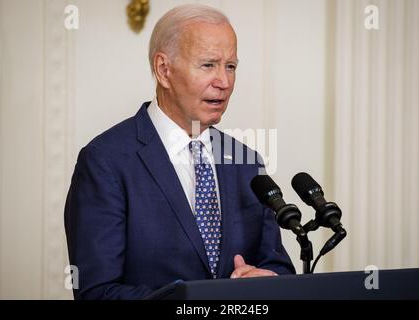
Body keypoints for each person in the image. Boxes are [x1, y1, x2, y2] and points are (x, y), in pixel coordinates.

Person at [64, 3, 295, 300]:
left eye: (231, 66)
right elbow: (97, 293)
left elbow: (277, 265)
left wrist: (270, 280)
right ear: (164, 70)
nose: (224, 82)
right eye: (208, 65)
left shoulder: (246, 161)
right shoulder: (105, 161)